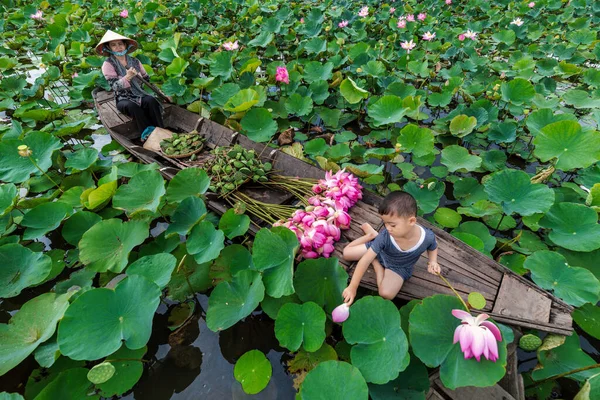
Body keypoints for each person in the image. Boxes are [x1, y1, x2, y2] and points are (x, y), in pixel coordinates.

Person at [341, 191, 440, 306]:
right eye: (385, 224)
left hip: (399, 267)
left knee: (386, 294)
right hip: (381, 249)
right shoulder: (385, 236)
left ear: (411, 221)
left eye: (392, 225)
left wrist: (433, 261)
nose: (388, 228)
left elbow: (433, 246)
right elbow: (364, 260)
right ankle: (370, 236)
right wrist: (352, 287)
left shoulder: (427, 237)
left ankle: (377, 264)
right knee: (346, 253)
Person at [95, 30, 165, 136]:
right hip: (123, 98)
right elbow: (114, 87)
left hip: (139, 94)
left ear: (125, 45)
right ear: (109, 48)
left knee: (151, 100)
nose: (118, 47)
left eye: (120, 44)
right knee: (133, 107)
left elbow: (147, 80)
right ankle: (147, 134)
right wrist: (127, 77)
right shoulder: (108, 64)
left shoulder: (135, 61)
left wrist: (160, 92)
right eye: (113, 45)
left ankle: (160, 130)